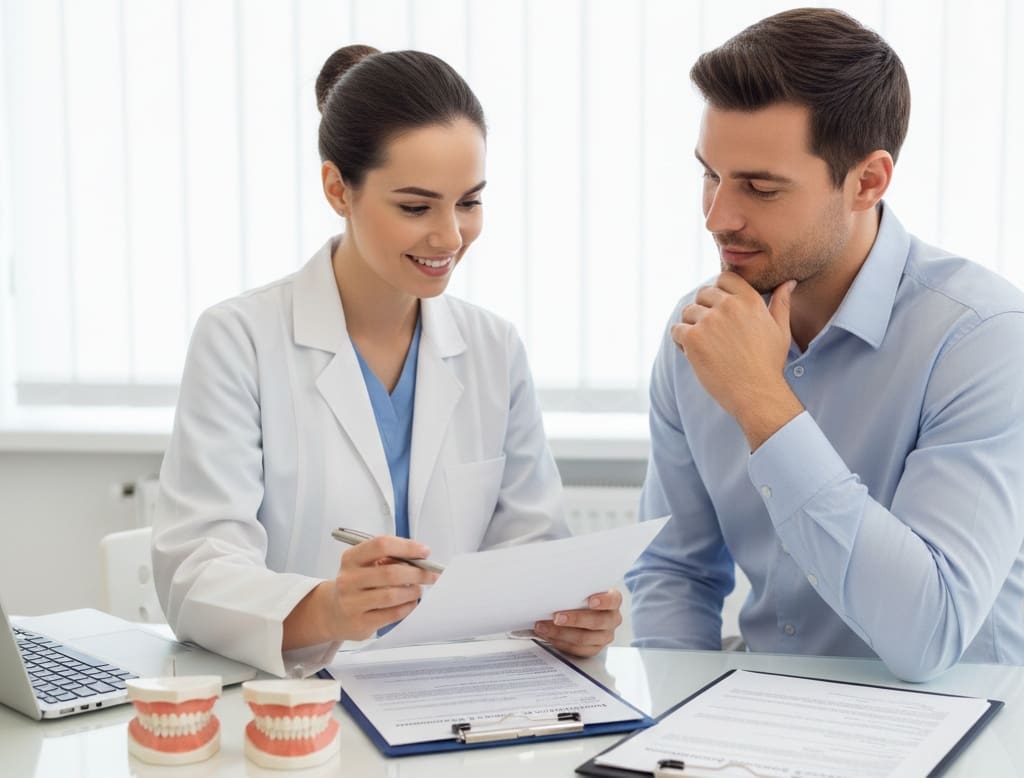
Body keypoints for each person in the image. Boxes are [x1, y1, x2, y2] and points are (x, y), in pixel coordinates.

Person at [152, 45, 621, 677]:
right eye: (415, 207)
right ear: (337, 189)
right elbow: (197, 572)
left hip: (458, 697)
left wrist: (569, 619)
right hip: (300, 699)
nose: (450, 236)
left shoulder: (493, 348)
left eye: (469, 202)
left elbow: (531, 549)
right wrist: (327, 609)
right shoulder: (239, 339)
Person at [625, 8, 1024, 683]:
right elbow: (676, 572)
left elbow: (929, 634)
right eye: (711, 175)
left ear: (867, 181)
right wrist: (674, 715)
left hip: (954, 718)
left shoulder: (983, 339)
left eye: (760, 187)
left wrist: (763, 404)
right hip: (760, 710)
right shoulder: (698, 330)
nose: (718, 217)